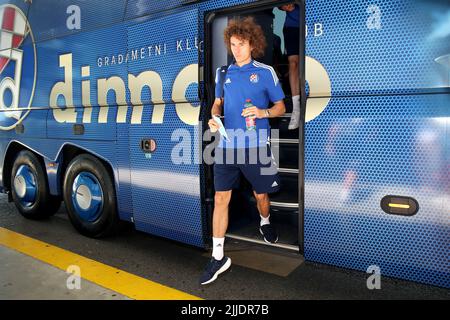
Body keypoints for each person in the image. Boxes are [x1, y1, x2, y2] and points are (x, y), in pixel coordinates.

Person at [200, 17, 286, 285]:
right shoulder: (223, 73)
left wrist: (263, 112)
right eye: (233, 44)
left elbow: (281, 107)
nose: (237, 49)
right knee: (221, 198)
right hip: (227, 146)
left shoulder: (265, 72)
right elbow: (217, 104)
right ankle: (218, 257)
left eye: (242, 44)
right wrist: (214, 118)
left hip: (256, 146)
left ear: (253, 44)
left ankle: (264, 220)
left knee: (260, 194)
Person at [280, 3, 300, 130]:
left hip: (316, 17)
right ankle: (296, 108)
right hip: (292, 27)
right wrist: (282, 6)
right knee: (293, 63)